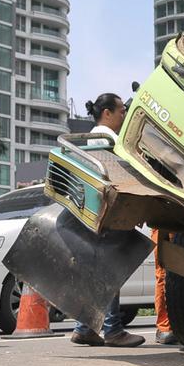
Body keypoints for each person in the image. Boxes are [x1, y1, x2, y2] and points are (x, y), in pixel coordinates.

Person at [69, 93, 146, 348]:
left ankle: (84, 327)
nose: (124, 115)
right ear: (108, 113)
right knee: (111, 268)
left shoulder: (90, 137)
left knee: (97, 272)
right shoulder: (108, 139)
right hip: (108, 212)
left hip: (90, 212)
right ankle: (112, 330)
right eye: (122, 111)